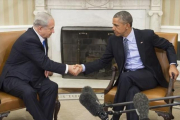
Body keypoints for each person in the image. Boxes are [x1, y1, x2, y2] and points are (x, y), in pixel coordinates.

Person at [74, 11, 179, 120]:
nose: (112, 28)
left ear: (127, 26)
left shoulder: (146, 35)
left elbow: (168, 46)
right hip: (129, 78)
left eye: (116, 25)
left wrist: (172, 65)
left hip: (148, 75)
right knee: (131, 92)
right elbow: (103, 61)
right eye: (113, 25)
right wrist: (83, 67)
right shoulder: (113, 40)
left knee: (125, 77)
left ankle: (114, 116)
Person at [0, 12, 80, 120]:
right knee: (29, 92)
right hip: (13, 77)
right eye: (51, 28)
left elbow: (41, 59)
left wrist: (45, 67)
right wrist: (68, 68)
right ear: (40, 28)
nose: (53, 31)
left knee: (51, 87)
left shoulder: (41, 36)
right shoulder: (29, 39)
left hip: (31, 74)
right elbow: (44, 62)